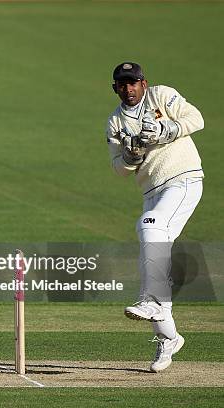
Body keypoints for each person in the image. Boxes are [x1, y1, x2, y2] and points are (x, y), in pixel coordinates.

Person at [105, 62, 204, 372]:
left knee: (149, 226)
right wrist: (130, 156)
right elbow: (118, 169)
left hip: (183, 178)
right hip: (152, 192)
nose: (128, 88)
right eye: (122, 83)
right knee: (151, 255)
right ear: (115, 87)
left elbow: (196, 119)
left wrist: (166, 129)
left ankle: (153, 300)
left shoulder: (162, 96)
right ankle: (169, 337)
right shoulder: (115, 123)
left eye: (133, 82)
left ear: (143, 83)